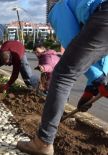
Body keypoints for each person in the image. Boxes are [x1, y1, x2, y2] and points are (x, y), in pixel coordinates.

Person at [17, 0, 108, 155]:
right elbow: (101, 54)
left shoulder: (58, 8)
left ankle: (43, 142)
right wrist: (92, 86)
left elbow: (71, 43)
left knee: (63, 74)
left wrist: (98, 79)